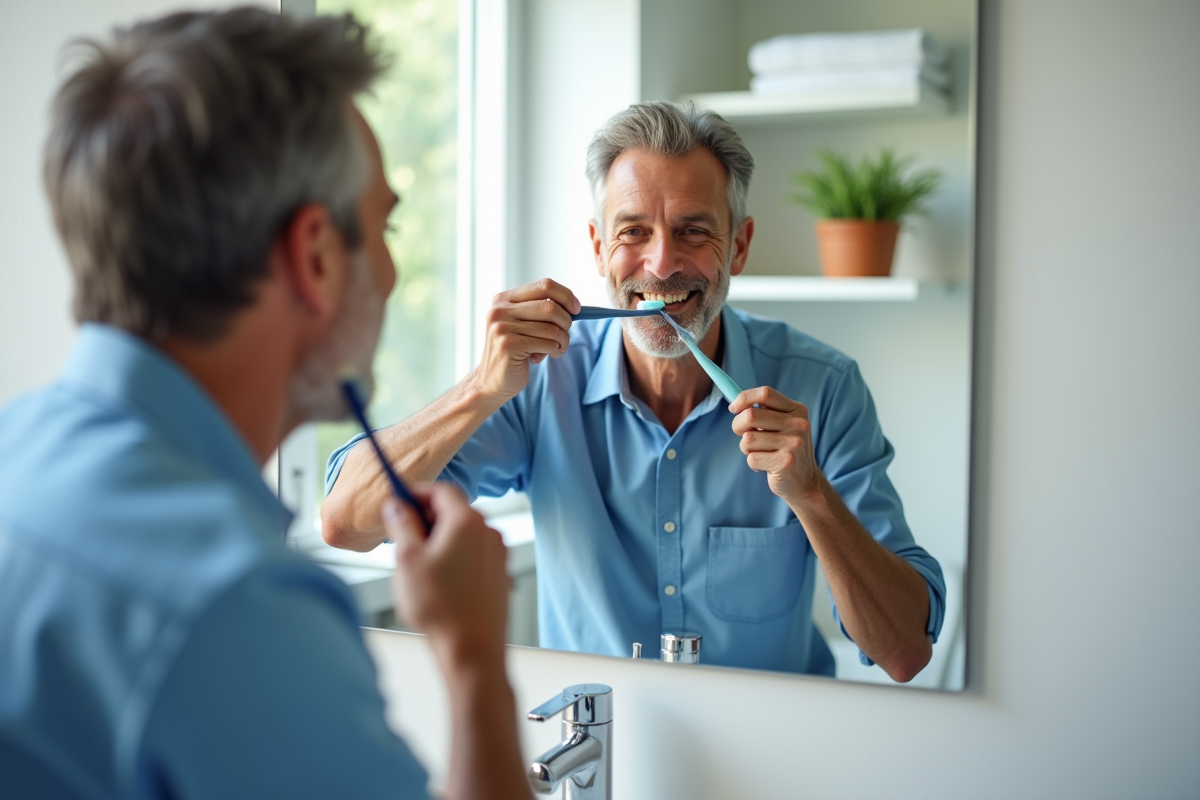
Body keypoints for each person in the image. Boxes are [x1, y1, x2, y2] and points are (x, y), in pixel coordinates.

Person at [0, 9, 531, 800]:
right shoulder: (237, 607)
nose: (388, 275)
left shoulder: (17, 450)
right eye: (383, 226)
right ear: (316, 257)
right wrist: (475, 660)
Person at [322, 101, 947, 682]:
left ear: (742, 245)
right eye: (632, 232)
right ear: (598, 248)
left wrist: (811, 494)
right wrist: (481, 390)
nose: (661, 264)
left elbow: (902, 652)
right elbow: (346, 524)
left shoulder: (825, 387)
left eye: (694, 230)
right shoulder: (541, 381)